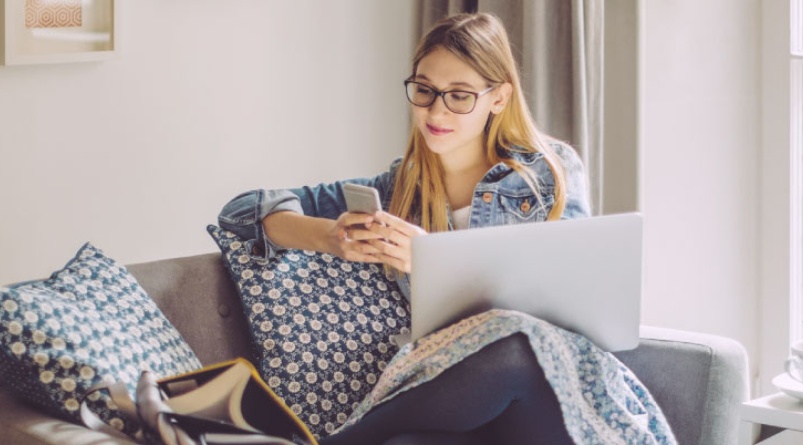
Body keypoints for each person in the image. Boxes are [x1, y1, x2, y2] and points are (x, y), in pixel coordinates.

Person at [219, 12, 672, 445]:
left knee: (513, 346)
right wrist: (328, 237)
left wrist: (432, 259)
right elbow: (243, 212)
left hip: (544, 389)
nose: (436, 110)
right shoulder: (400, 188)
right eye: (425, 89)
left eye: (459, 95)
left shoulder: (548, 174)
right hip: (461, 406)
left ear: (499, 98)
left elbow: (566, 309)